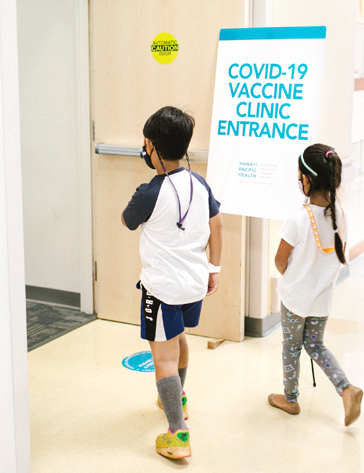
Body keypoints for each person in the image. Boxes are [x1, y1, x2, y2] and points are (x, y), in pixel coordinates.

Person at [121, 106, 222, 459]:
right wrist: (215, 268)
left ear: (150, 145)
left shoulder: (149, 192)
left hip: (162, 289)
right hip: (194, 284)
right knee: (178, 341)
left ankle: (178, 434)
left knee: (162, 357)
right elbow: (217, 225)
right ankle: (178, 398)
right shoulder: (200, 182)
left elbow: (127, 221)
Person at [268, 143, 363, 426]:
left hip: (295, 300)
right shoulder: (341, 216)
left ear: (307, 180)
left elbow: (279, 260)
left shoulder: (298, 219)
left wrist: (292, 276)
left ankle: (290, 398)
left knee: (291, 347)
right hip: (322, 300)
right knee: (316, 345)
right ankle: (346, 388)